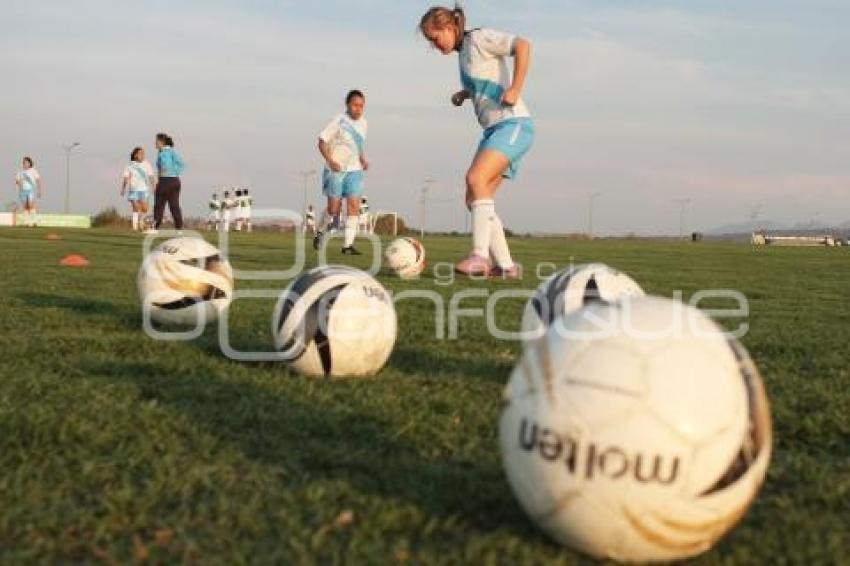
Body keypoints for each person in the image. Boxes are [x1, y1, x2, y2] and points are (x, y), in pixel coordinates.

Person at [420, 5, 534, 278]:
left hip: (513, 124)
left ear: (449, 27)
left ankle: (480, 256)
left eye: (435, 38)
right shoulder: (464, 55)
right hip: (495, 130)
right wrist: (465, 93)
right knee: (474, 198)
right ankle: (506, 267)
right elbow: (485, 81)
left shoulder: (478, 38)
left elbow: (523, 45)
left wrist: (516, 87)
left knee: (475, 179)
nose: (434, 46)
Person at [313, 89, 370, 255]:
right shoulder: (338, 121)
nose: (358, 109)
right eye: (355, 105)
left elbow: (357, 145)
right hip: (335, 170)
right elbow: (322, 142)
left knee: (353, 206)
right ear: (348, 105)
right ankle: (320, 232)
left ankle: (347, 246)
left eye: (361, 106)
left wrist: (362, 159)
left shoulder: (364, 124)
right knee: (333, 209)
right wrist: (331, 161)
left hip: (354, 170)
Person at [151, 132, 185, 233]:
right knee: (174, 205)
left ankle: (155, 227)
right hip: (173, 181)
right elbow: (181, 164)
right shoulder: (169, 152)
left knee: (159, 205)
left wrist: (168, 172)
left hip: (166, 181)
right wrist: (174, 172)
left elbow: (169, 165)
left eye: (156, 141)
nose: (155, 143)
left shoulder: (165, 152)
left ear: (161, 142)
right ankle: (179, 228)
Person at [120, 147, 155, 231]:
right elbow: (125, 177)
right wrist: (123, 189)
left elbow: (151, 176)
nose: (143, 155)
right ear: (135, 155)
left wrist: (153, 187)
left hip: (144, 189)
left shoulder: (147, 164)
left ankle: (141, 222)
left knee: (145, 208)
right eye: (141, 153)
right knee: (135, 207)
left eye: (144, 154)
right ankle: (135, 227)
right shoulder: (129, 165)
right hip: (133, 189)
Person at [14, 157, 43, 227]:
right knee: (25, 207)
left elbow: (38, 180)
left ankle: (34, 221)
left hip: (30, 190)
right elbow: (17, 181)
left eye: (27, 162)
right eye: (24, 163)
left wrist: (39, 190)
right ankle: (27, 222)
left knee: (30, 205)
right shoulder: (20, 172)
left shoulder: (33, 171)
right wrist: (18, 183)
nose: (25, 164)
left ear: (30, 163)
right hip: (22, 191)